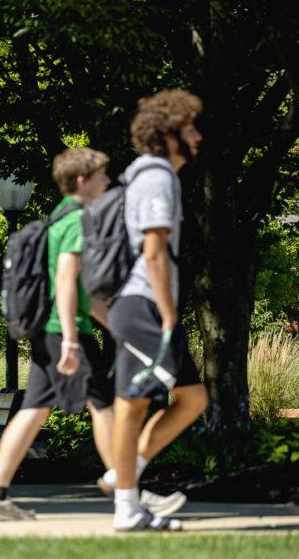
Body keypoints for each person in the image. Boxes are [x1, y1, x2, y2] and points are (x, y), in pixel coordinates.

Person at [0, 146, 183, 521]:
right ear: (84, 181)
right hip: (63, 330)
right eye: (103, 176)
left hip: (56, 329)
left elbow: (85, 292)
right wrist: (71, 338)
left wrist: (115, 326)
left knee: (34, 410)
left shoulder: (62, 217)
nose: (108, 182)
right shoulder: (76, 220)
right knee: (102, 406)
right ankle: (127, 491)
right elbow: (68, 281)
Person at [107, 90, 208, 532]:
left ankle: (122, 474)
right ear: (169, 135)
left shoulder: (152, 176)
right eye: (189, 129)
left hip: (145, 303)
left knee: (193, 398)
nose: (198, 137)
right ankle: (127, 507)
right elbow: (153, 251)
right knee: (132, 405)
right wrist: (168, 313)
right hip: (143, 302)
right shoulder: (157, 177)